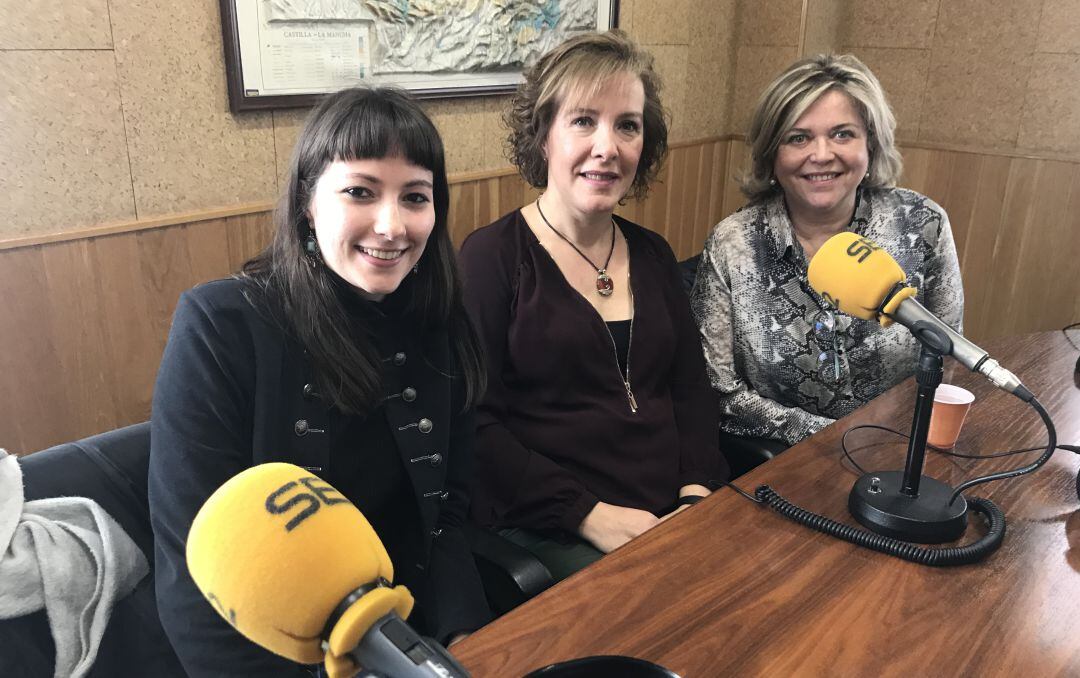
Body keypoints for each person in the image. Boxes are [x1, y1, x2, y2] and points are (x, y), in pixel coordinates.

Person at [149, 87, 491, 675]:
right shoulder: (220, 327)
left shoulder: (439, 321)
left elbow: (447, 522)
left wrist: (467, 646)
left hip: (409, 638)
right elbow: (194, 572)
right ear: (309, 202)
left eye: (415, 197)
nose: (391, 226)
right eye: (360, 191)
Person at [459, 31, 728, 582]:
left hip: (676, 517)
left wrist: (697, 495)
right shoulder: (491, 258)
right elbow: (474, 425)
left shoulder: (653, 254)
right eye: (583, 120)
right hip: (552, 528)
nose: (607, 146)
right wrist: (587, 515)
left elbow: (690, 392)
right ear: (543, 139)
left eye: (627, 125)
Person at [690, 54, 964, 447]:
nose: (821, 154)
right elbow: (718, 392)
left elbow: (948, 360)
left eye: (842, 134)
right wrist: (831, 437)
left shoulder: (922, 225)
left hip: (901, 454)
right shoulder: (733, 243)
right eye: (798, 137)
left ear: (870, 144)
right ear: (772, 155)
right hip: (782, 462)